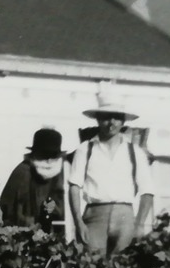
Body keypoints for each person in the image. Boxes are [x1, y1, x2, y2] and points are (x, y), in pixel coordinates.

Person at [66, 91, 154, 258]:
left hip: (125, 217)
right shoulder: (85, 149)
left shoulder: (135, 152)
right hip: (95, 216)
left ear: (123, 121)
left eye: (116, 117)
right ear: (98, 119)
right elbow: (74, 187)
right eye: (106, 117)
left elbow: (147, 191)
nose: (111, 122)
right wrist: (79, 223)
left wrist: (140, 224)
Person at [0, 127, 67, 236]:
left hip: (54, 234)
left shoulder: (60, 173)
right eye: (44, 155)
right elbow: (7, 208)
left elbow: (64, 205)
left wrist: (55, 208)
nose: (48, 160)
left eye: (52, 155)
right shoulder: (22, 172)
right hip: (24, 234)